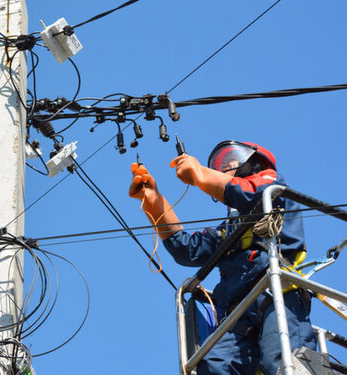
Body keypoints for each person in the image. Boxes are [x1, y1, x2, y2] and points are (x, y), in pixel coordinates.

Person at [128, 140, 316, 375]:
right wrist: (154, 202)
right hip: (238, 313)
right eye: (221, 165)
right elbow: (187, 250)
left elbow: (250, 195)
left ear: (255, 160)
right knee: (212, 367)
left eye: (231, 160)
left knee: (283, 361)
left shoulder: (271, 184)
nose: (226, 166)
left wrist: (200, 175)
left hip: (277, 292)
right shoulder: (231, 228)